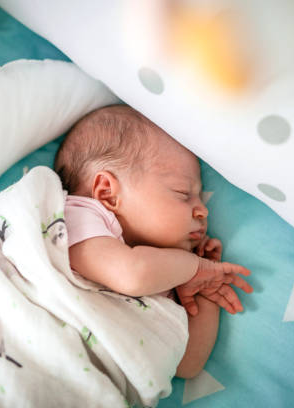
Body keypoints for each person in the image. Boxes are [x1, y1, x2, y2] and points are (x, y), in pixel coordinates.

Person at [54, 104, 253, 379]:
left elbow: (186, 364)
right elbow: (132, 274)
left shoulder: (166, 273)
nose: (202, 210)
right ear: (108, 194)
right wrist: (194, 267)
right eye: (183, 193)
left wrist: (204, 290)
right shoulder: (78, 217)